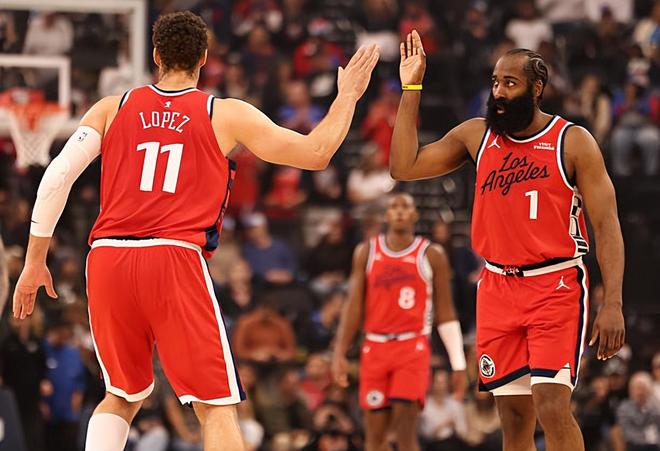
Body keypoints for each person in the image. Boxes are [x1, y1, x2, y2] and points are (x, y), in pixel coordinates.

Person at [12, 11, 379, 451]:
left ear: (155, 55)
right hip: (173, 256)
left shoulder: (113, 107)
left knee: (121, 395)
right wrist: (348, 95)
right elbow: (316, 152)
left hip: (108, 257)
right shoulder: (223, 113)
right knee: (215, 406)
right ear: (204, 58)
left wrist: (34, 261)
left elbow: (56, 176)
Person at [390, 30, 626, 451]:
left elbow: (607, 225)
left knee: (551, 406)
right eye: (495, 82)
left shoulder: (572, 141)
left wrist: (613, 303)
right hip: (497, 286)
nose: (498, 92)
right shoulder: (476, 135)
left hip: (554, 284)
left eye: (510, 83)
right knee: (514, 421)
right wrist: (411, 88)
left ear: (537, 88)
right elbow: (404, 166)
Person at [332, 193, 467, 451]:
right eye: (394, 206)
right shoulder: (366, 252)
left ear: (415, 215)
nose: (400, 211)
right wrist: (340, 350)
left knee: (405, 436)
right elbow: (353, 307)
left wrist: (458, 364)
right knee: (374, 439)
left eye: (406, 207)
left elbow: (446, 313)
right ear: (387, 214)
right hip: (374, 347)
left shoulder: (432, 254)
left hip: (411, 347)